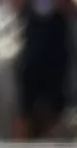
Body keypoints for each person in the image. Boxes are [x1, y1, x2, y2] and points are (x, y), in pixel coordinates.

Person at [13, 0, 72, 139]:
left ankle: (51, 139)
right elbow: (16, 7)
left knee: (55, 100)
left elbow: (69, 8)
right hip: (34, 36)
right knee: (26, 104)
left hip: (57, 36)